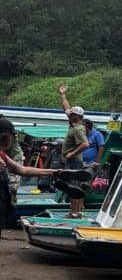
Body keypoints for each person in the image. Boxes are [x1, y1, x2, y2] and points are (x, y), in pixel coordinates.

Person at [0, 118, 63, 238]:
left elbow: (22, 170)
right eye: (13, 136)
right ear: (5, 136)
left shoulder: (2, 155)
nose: (14, 139)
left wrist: (53, 172)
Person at [57, 83, 90, 217]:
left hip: (74, 161)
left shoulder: (78, 128)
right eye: (71, 114)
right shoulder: (73, 123)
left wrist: (71, 153)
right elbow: (66, 108)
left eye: (73, 115)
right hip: (71, 161)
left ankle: (75, 213)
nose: (70, 115)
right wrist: (63, 94)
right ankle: (76, 211)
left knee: (74, 188)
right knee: (72, 187)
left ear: (79, 117)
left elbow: (85, 144)